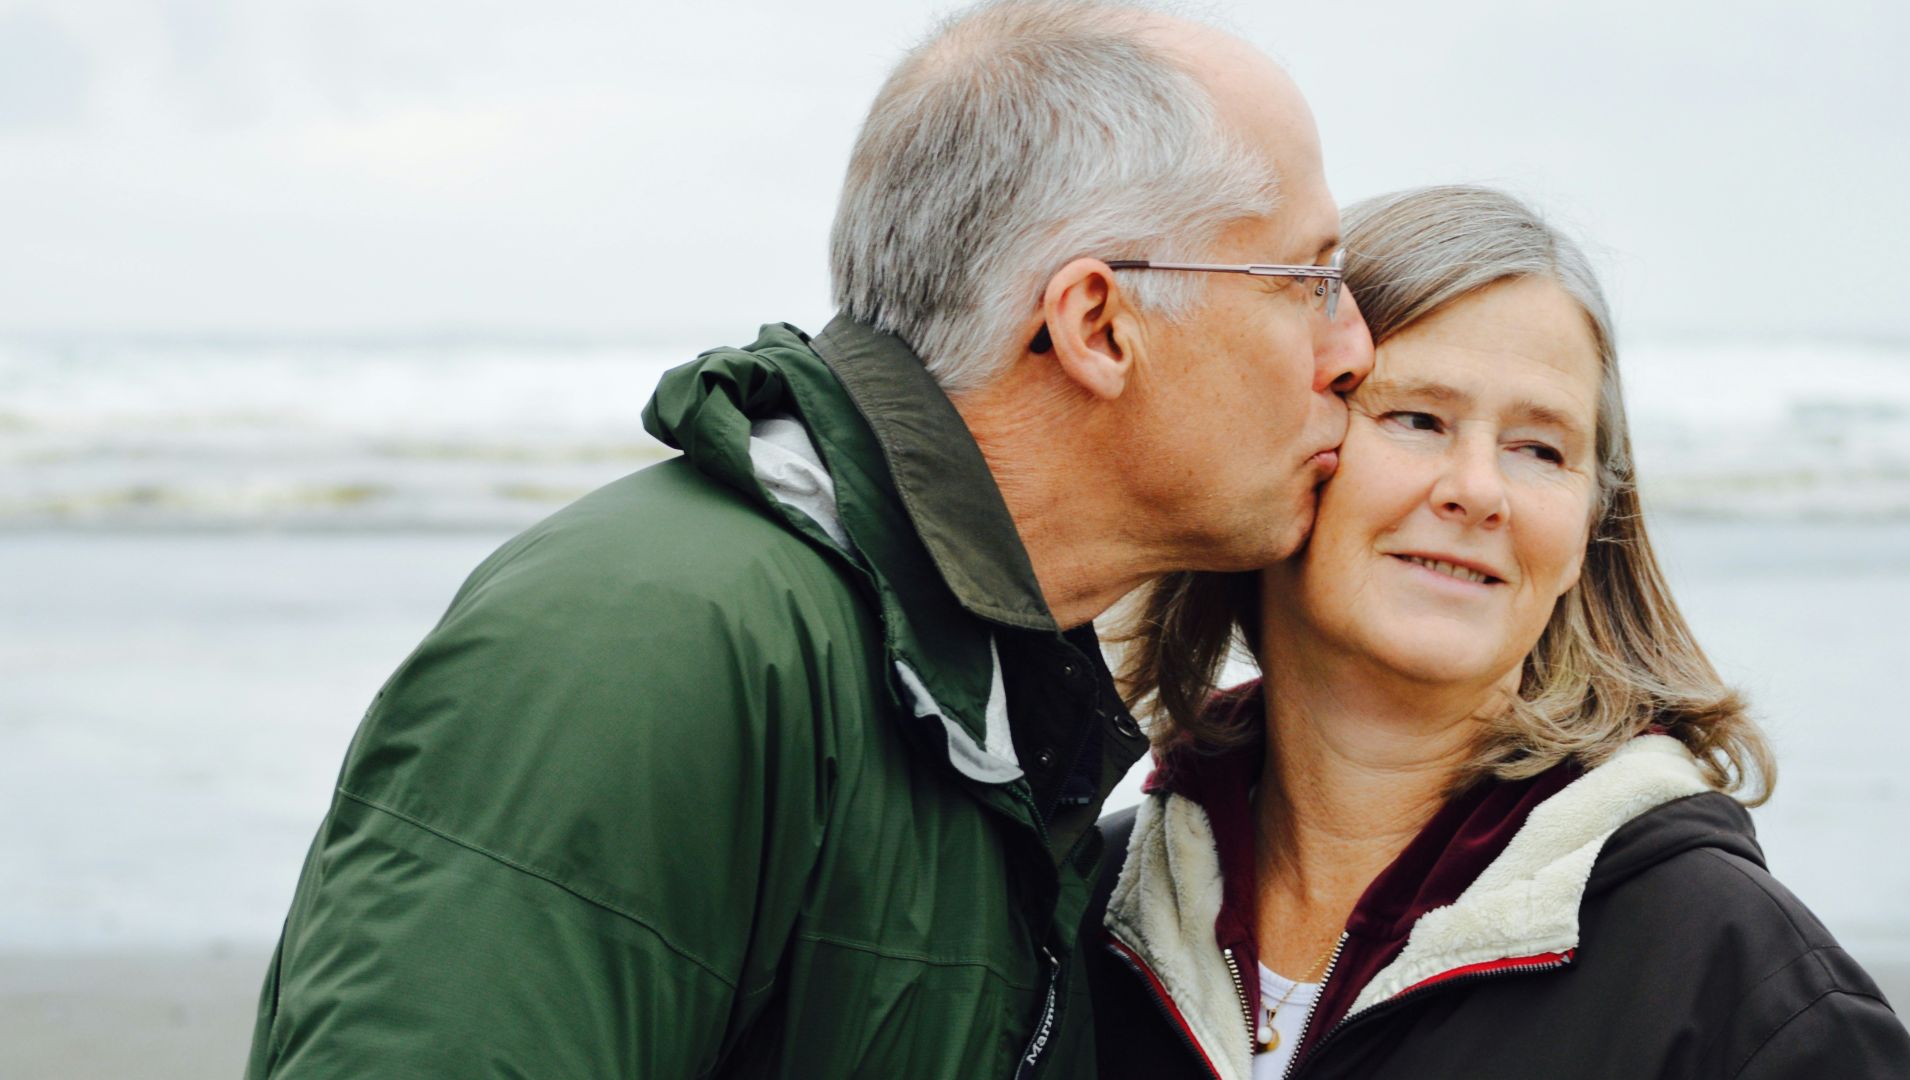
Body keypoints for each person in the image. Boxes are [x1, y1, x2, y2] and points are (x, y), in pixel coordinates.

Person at [243, 2, 1372, 1077]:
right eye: (1310, 279)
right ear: (1095, 324)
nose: (1353, 350)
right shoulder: (649, 643)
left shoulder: (978, 694)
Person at [1087, 185, 1910, 1079]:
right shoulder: (1082, 911)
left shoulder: (1748, 991)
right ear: (1285, 448)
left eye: (1540, 449)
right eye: (1417, 419)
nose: (1478, 490)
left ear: (1589, 534)